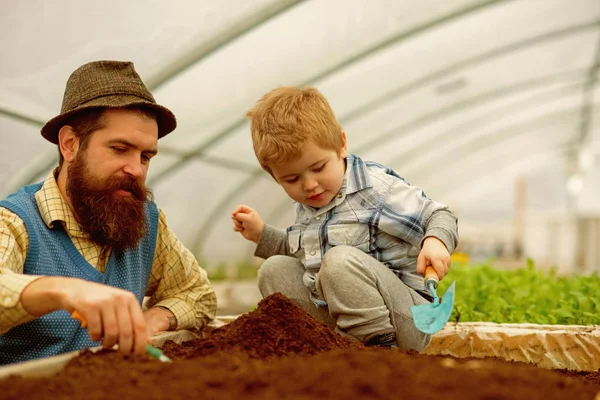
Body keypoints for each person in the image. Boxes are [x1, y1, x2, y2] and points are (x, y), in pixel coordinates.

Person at [0, 60, 217, 365]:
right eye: (119, 149)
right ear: (70, 144)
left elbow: (197, 293)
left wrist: (156, 318)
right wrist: (61, 290)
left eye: (146, 156)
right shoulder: (15, 221)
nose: (136, 169)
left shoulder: (144, 221)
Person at [232, 86, 458, 351]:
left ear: (341, 145)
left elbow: (439, 214)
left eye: (318, 168)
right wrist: (261, 234)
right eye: (292, 179)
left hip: (402, 320)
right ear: (274, 176)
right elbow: (305, 253)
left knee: (339, 260)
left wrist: (435, 241)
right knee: (273, 269)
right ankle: (317, 349)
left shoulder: (376, 189)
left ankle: (381, 352)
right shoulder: (309, 205)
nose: (310, 185)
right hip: (342, 322)